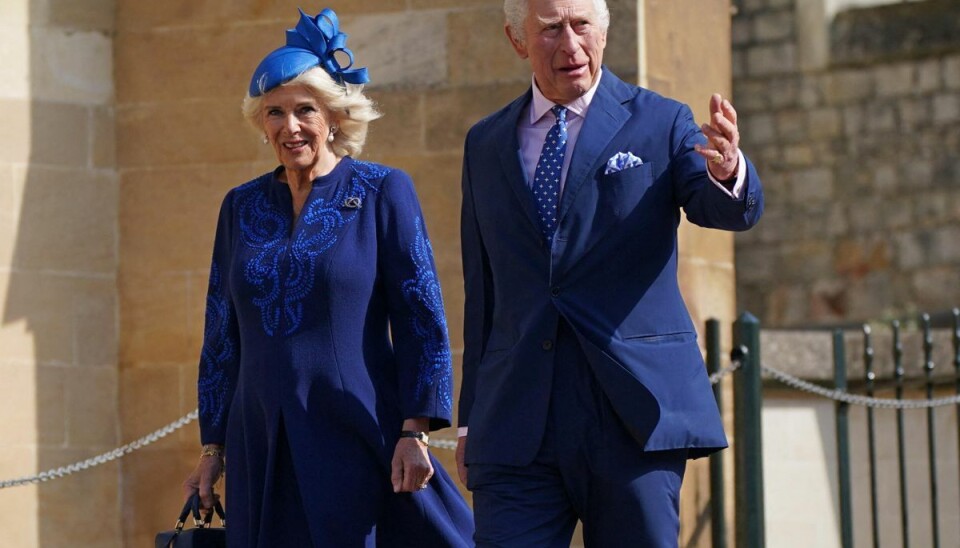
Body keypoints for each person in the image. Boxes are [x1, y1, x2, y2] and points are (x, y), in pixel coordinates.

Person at [456, 0, 764, 546]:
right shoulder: (485, 143)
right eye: (550, 29)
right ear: (517, 39)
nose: (570, 46)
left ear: (604, 31)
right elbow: (484, 291)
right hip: (517, 419)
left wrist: (729, 172)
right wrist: (471, 417)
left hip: (632, 415)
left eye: (581, 26)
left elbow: (721, 209)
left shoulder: (660, 120)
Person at [181, 7, 474, 547]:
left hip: (357, 430)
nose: (289, 127)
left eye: (304, 110)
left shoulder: (384, 190)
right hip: (259, 438)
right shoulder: (239, 206)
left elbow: (421, 317)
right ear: (259, 122)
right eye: (274, 113)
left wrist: (417, 430)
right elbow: (220, 334)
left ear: (333, 115)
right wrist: (212, 448)